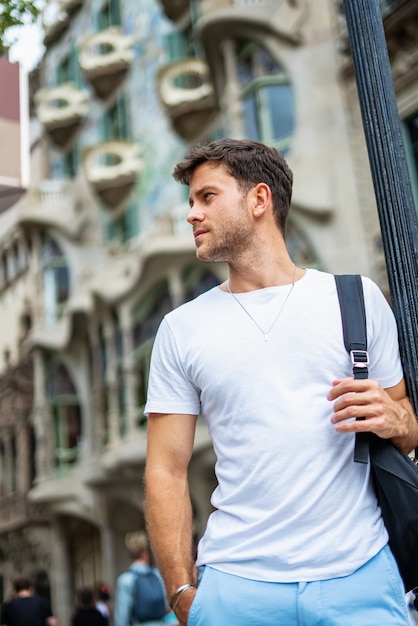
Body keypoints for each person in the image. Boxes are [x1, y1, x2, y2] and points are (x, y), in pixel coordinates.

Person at [144, 138, 418, 626]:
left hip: (360, 575)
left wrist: (395, 417)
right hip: (235, 586)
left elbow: (409, 429)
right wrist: (181, 590)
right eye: (190, 201)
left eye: (206, 197)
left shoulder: (356, 299)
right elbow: (166, 469)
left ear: (259, 200)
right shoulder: (181, 329)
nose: (191, 214)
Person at [114, 536, 166, 626]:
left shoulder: (125, 579)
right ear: (145, 555)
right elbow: (166, 603)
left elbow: (122, 614)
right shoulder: (157, 575)